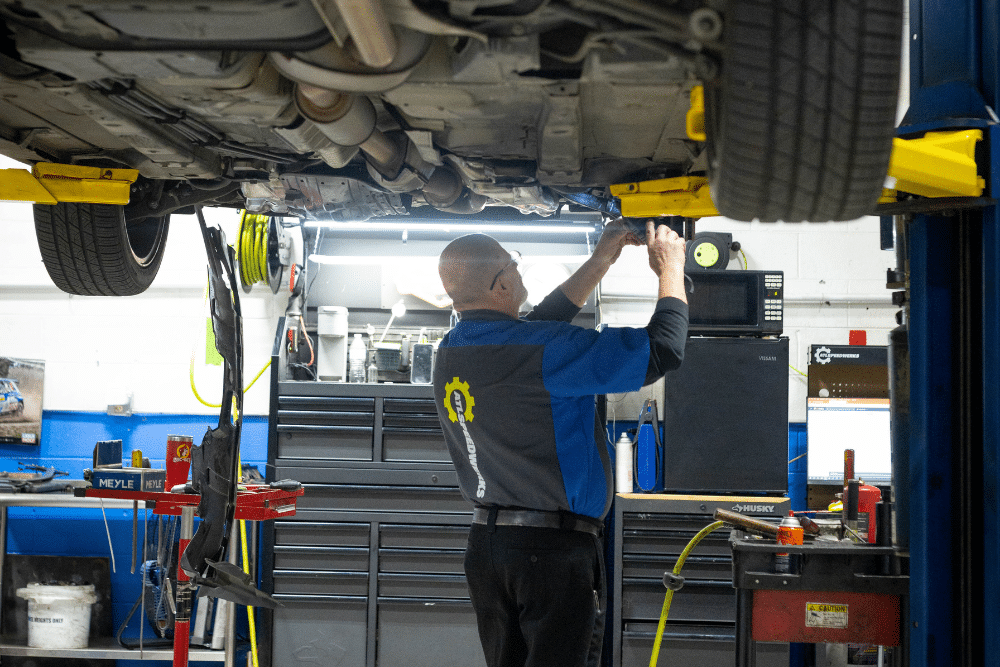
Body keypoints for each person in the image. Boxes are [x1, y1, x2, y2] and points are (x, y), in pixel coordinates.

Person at [433, 218, 689, 667]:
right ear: (502, 284)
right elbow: (663, 349)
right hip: (549, 555)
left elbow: (537, 327)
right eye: (512, 265)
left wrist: (601, 259)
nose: (518, 271)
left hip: (488, 551)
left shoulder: (452, 349)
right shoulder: (545, 350)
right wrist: (670, 268)